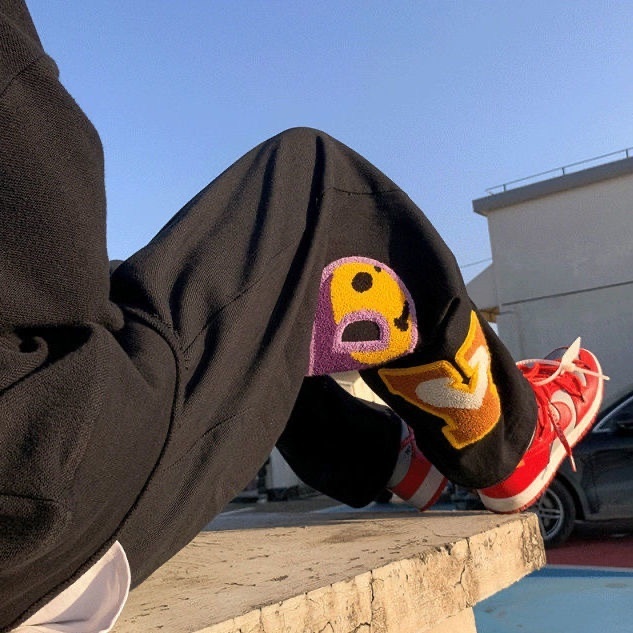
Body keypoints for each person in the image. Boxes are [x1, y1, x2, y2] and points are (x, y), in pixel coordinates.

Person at [0, 2, 607, 631]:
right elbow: (52, 206)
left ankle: (394, 459)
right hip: (35, 486)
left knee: (240, 307)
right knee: (321, 185)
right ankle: (507, 443)